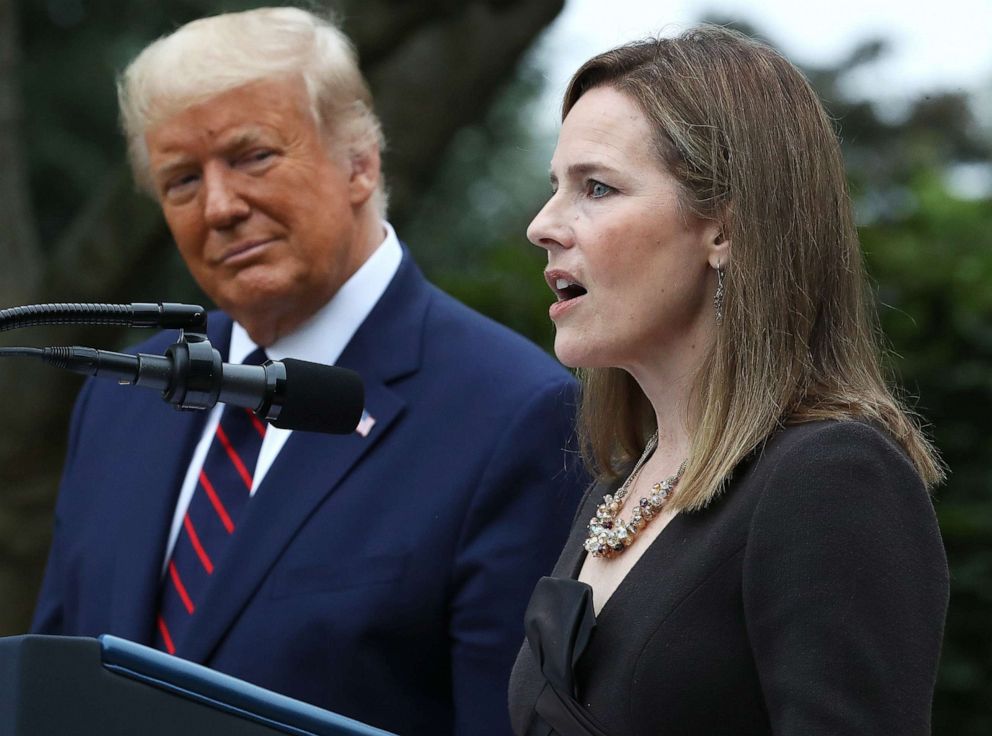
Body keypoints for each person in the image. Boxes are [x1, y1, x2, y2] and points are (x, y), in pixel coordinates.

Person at [30, 8, 587, 736]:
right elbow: (53, 687)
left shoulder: (516, 413)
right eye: (181, 181)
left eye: (253, 155)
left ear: (360, 161)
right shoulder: (122, 391)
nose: (221, 206)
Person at [508, 26, 949, 736]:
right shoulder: (619, 489)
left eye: (596, 186)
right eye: (553, 187)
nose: (543, 225)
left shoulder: (831, 478)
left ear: (726, 228)